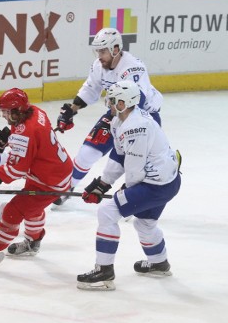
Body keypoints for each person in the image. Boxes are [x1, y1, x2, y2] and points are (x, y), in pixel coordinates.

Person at [76, 81, 181, 291]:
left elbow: (134, 170)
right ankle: (159, 262)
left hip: (155, 185)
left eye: (114, 101)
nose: (110, 104)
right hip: (166, 182)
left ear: (126, 102)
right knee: (144, 224)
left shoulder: (135, 127)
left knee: (107, 212)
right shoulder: (120, 121)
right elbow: (119, 156)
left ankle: (104, 271)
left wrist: (126, 192)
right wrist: (102, 183)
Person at [54, 27, 163, 207]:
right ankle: (67, 187)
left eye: (103, 51)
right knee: (87, 152)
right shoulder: (99, 66)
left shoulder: (132, 68)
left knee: (133, 163)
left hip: (143, 117)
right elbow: (91, 88)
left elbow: (136, 100)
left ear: (115, 49)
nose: (99, 55)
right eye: (98, 51)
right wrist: (71, 110)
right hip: (117, 112)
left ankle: (135, 197)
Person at [0, 88, 74, 270]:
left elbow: (16, 169)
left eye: (6, 112)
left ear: (18, 111)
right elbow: (26, 134)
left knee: (13, 212)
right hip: (50, 172)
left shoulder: (24, 134)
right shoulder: (36, 112)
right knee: (32, 208)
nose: (3, 116)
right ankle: (33, 242)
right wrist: (6, 136)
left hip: (48, 181)